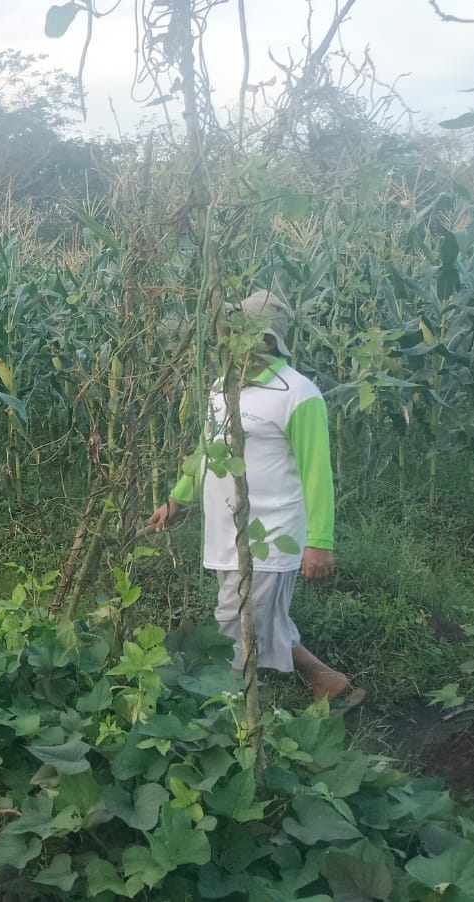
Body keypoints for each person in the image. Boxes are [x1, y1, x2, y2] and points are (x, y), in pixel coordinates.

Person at [145, 290, 364, 708]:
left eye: (240, 334)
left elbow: (317, 474)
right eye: (229, 333)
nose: (228, 341)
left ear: (266, 341)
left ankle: (225, 713)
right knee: (260, 619)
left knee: (232, 623)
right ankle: (326, 681)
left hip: (270, 534)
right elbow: (207, 453)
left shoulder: (297, 394)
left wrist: (320, 541)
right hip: (225, 534)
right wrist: (176, 500)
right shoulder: (219, 389)